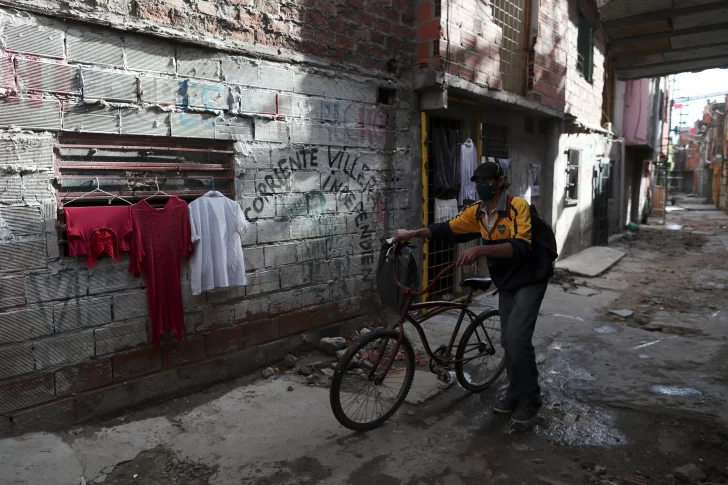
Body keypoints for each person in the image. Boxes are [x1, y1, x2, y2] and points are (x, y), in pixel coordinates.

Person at [393, 160, 553, 423]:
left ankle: (530, 398)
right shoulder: (478, 212)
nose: (480, 187)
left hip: (531, 277)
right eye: (477, 183)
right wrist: (411, 233)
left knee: (516, 339)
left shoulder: (517, 206)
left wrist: (480, 249)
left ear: (500, 182)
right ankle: (515, 391)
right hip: (507, 281)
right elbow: (446, 229)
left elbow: (521, 247)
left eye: (486, 183)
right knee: (506, 341)